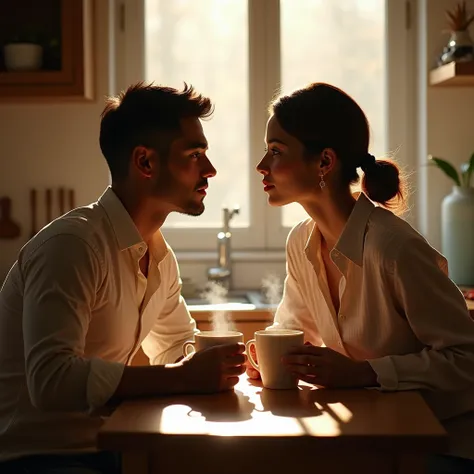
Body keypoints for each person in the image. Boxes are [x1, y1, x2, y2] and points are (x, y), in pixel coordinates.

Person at [0, 82, 246, 473]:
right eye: (194, 154)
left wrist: (212, 366)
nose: (210, 170)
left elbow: (175, 345)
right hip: (37, 458)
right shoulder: (73, 245)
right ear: (145, 163)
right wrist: (182, 377)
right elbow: (51, 381)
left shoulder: (158, 255)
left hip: (110, 448)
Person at [251, 82, 474, 473]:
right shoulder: (302, 242)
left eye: (276, 151)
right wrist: (268, 358)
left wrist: (365, 372)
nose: (261, 166)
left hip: (444, 446)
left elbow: (466, 357)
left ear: (324, 162)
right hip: (373, 440)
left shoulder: (393, 248)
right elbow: (294, 331)